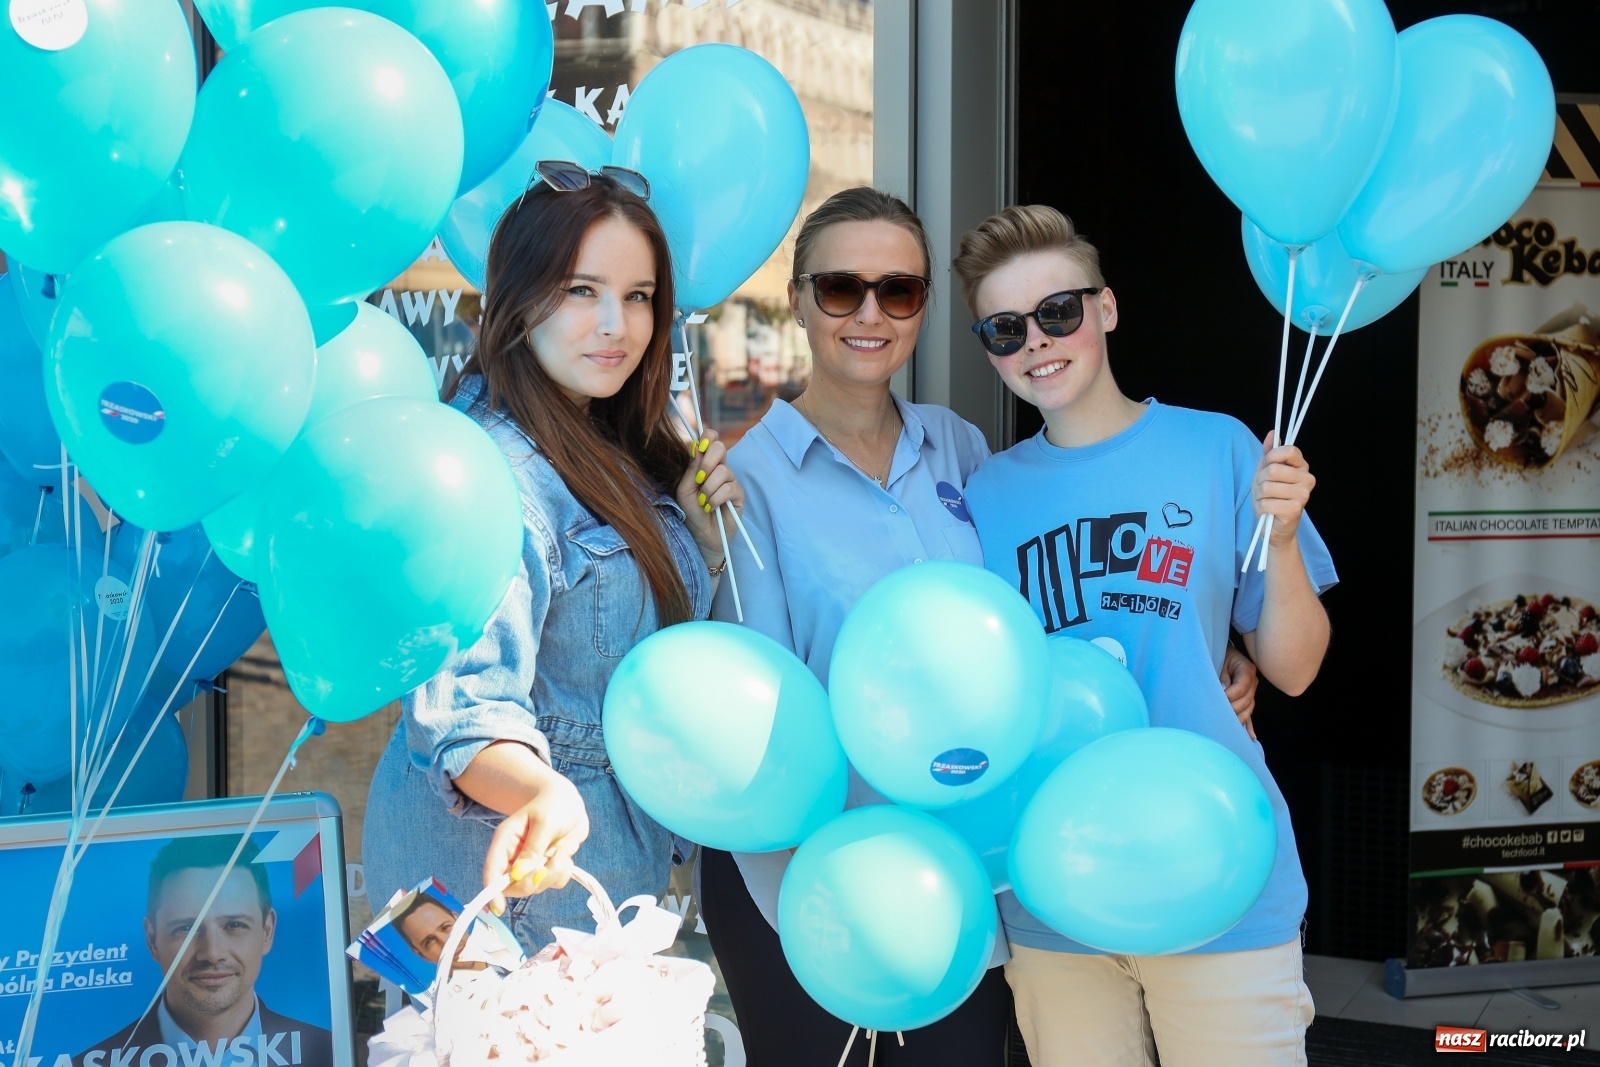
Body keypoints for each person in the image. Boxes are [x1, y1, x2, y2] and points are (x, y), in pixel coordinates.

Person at [698, 187, 1262, 1067]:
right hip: (815, 888)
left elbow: (1043, 613)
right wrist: (821, 900)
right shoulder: (741, 484)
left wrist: (1215, 641)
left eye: (902, 290)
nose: (871, 313)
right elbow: (755, 722)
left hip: (968, 884)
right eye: (843, 288)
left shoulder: (962, 450)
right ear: (801, 300)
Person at [950, 204, 1337, 1067]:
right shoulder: (984, 496)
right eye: (1006, 329)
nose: (1038, 343)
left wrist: (1280, 539)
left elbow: (1296, 667)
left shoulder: (1218, 448)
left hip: (1220, 867)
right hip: (1056, 887)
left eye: (1059, 312)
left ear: (1107, 308)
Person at [362, 163, 743, 950]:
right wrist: (541, 789)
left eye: (638, 296)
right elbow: (465, 711)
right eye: (581, 290)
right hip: (510, 890)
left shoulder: (600, 439)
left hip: (581, 874)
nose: (617, 324)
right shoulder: (487, 473)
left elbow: (610, 655)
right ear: (519, 296)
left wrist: (700, 548)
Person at [77, 835, 333, 1067]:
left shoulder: (330, 1053)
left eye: (234, 925)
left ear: (267, 931)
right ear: (153, 939)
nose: (212, 953)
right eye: (186, 928)